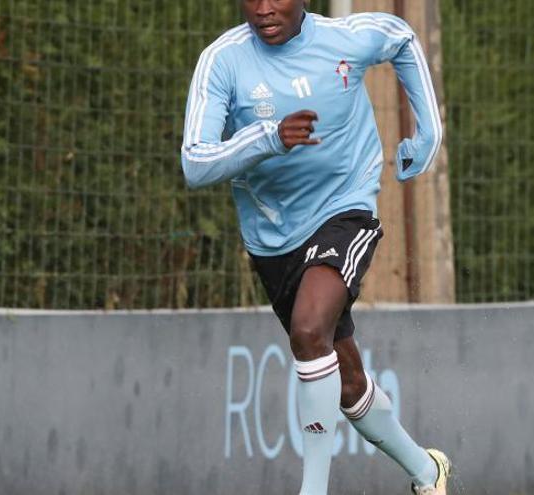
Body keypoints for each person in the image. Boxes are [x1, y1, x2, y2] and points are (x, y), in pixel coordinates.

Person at [181, 1, 450, 494]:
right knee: (347, 383)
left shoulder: (346, 39)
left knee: (308, 330)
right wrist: (269, 137)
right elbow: (195, 163)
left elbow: (403, 39)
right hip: (272, 239)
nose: (263, 9)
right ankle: (428, 473)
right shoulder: (223, 61)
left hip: (344, 209)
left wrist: (428, 132)